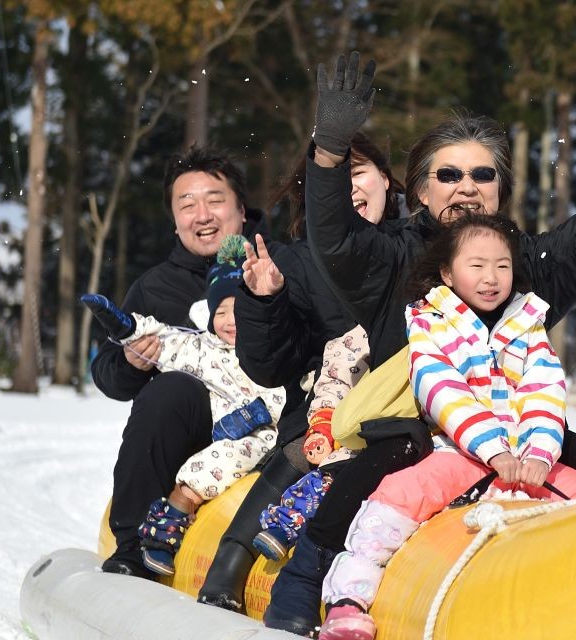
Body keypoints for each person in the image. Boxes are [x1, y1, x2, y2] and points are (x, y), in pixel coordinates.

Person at [262, 51, 576, 635]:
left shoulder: (523, 264)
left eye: (482, 174)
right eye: (448, 174)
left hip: (513, 433)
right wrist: (330, 153)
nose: (466, 187)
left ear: (501, 191)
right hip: (411, 428)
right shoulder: (391, 259)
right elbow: (334, 238)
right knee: (379, 467)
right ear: (419, 191)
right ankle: (308, 576)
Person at [316, 213, 576, 640]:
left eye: (502, 265)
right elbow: (442, 391)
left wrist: (539, 455)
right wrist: (493, 451)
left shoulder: (529, 325)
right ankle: (348, 601)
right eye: (476, 265)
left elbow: (545, 391)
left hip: (527, 461)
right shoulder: (429, 322)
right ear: (447, 272)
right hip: (458, 453)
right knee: (396, 499)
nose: (491, 277)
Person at [194, 133, 405, 610]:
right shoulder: (292, 261)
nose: (347, 188)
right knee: (302, 448)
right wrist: (264, 301)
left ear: (386, 181)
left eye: (357, 173)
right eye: (331, 180)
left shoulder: (411, 250)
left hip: (404, 412)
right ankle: (234, 555)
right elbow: (270, 366)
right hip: (320, 413)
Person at [91, 145, 283, 579]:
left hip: (273, 428)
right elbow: (107, 376)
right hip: (194, 436)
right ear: (174, 220)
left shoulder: (279, 265)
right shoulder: (156, 287)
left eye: (215, 200)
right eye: (187, 204)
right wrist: (131, 364)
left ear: (240, 207)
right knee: (170, 388)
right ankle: (134, 542)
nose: (203, 215)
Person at [253, 324, 370, 561]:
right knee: (325, 479)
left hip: (422, 434)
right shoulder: (363, 335)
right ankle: (285, 526)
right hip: (359, 431)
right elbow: (335, 379)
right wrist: (323, 424)